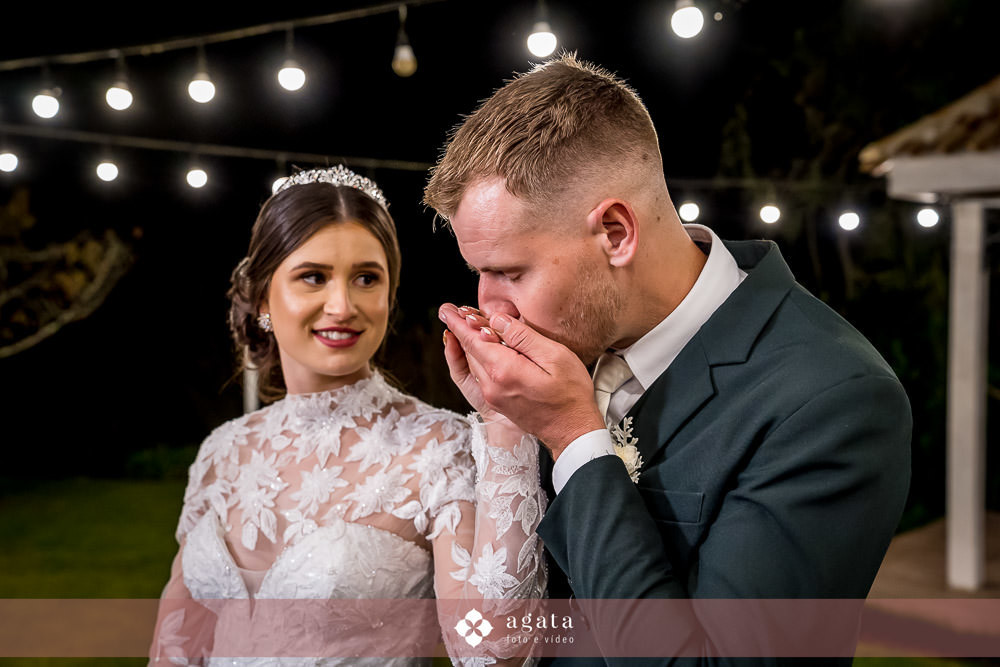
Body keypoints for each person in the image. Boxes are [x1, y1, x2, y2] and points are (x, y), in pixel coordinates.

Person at [428, 54, 911, 665]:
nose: (490, 306)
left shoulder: (832, 398)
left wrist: (573, 436)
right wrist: (511, 430)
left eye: (509, 271)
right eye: (479, 273)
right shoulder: (559, 356)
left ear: (615, 233)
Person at [149, 166, 546, 666]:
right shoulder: (223, 452)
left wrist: (506, 427)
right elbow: (176, 645)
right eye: (313, 277)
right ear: (264, 297)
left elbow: (490, 649)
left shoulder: (438, 448)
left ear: (388, 296)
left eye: (365, 278)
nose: (342, 305)